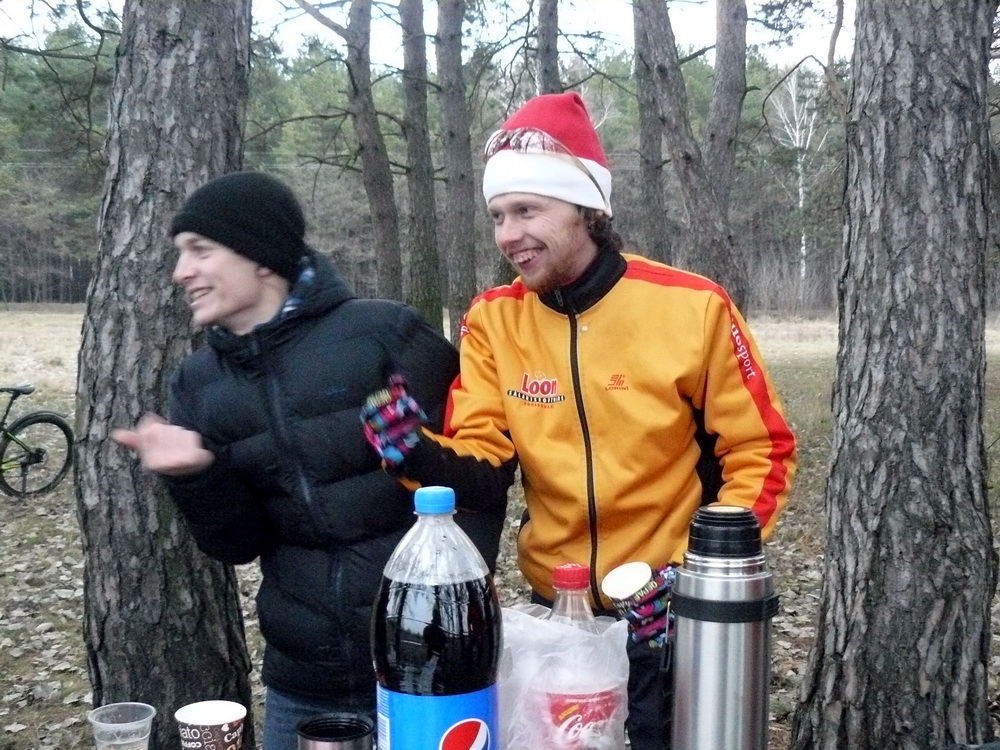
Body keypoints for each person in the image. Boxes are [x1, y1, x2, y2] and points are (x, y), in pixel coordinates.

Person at [361, 92, 797, 750]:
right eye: (498, 215)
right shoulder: (495, 320)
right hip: (557, 621)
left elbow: (763, 451)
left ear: (588, 209)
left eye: (527, 210)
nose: (508, 235)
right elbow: (482, 466)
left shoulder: (692, 306)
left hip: (670, 614)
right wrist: (411, 452)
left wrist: (700, 576)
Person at [111, 171, 507, 750]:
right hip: (305, 683)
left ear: (261, 256)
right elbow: (237, 544)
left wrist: (440, 616)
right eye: (181, 254)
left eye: (200, 250)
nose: (181, 272)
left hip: (429, 675)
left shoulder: (385, 333)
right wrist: (198, 477)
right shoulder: (199, 384)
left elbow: (486, 483)